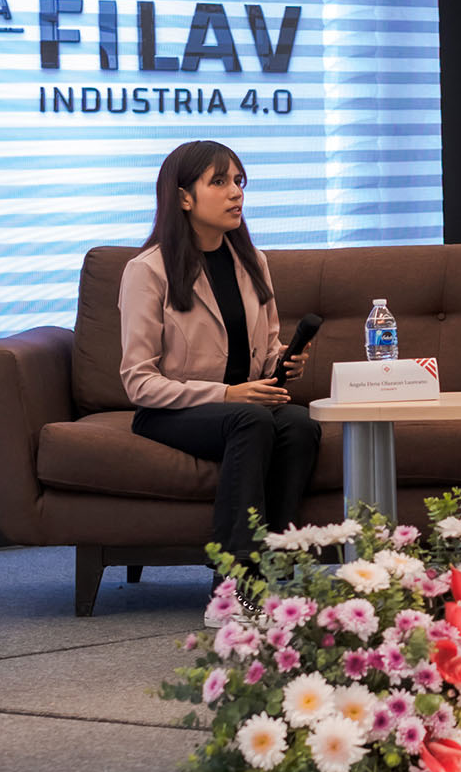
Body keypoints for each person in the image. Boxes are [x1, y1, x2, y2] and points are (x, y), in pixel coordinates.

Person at [119, 140, 319, 552]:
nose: (236, 192)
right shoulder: (147, 271)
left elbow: (264, 354)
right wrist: (228, 394)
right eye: (220, 182)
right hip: (171, 412)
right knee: (253, 421)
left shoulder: (252, 262)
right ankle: (233, 583)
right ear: (184, 198)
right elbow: (138, 383)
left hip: (240, 408)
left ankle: (275, 565)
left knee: (299, 424)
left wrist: (282, 362)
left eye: (239, 181)